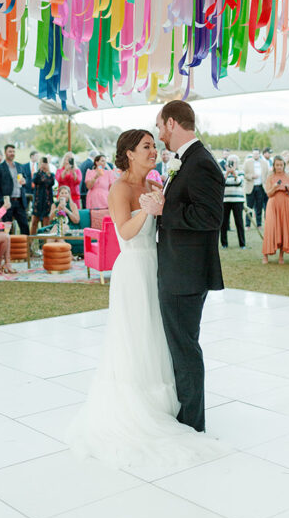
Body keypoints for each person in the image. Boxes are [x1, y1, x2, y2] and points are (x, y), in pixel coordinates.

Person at [70, 128, 224, 468]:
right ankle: (134, 408)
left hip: (159, 267)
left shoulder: (156, 183)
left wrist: (161, 205)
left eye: (155, 145)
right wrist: (148, 211)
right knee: (135, 336)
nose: (154, 151)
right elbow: (124, 230)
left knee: (157, 336)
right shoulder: (119, 188)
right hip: (133, 269)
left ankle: (164, 406)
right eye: (146, 146)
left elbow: (169, 215)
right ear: (129, 153)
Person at [143, 100, 224, 433]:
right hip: (177, 268)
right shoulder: (186, 161)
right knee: (180, 345)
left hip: (185, 273)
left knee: (185, 348)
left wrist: (164, 212)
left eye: (161, 126)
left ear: (173, 123)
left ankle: (192, 423)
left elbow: (210, 217)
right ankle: (187, 413)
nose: (159, 133)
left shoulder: (201, 163)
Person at [262, 156, 289, 264]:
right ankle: (265, 255)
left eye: (281, 165)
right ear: (274, 166)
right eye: (277, 165)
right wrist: (275, 187)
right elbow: (268, 193)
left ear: (284, 165)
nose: (279, 167)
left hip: (285, 204)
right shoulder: (270, 177)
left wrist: (287, 187)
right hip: (273, 203)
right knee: (270, 228)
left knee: (283, 228)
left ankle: (281, 256)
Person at [0, 144, 30, 233]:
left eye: (13, 151)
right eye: (10, 151)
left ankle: (27, 246)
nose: (12, 153)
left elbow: (26, 179)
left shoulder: (20, 166)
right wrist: (0, 202)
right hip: (7, 202)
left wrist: (25, 181)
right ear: (5, 153)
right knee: (6, 228)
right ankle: (7, 246)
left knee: (25, 226)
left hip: (20, 201)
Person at [221, 155, 246, 249]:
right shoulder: (223, 173)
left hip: (238, 200)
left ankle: (242, 244)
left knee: (239, 222)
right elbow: (221, 184)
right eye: (230, 162)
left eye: (233, 162)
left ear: (237, 164)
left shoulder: (240, 172)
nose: (231, 164)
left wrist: (234, 173)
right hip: (226, 200)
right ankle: (224, 243)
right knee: (224, 222)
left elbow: (240, 183)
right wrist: (227, 173)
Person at [30, 157, 56, 232]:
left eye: (45, 163)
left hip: (47, 201)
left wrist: (47, 173)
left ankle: (44, 241)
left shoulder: (51, 175)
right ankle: (32, 241)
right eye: (42, 163)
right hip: (38, 201)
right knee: (34, 222)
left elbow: (50, 182)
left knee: (46, 223)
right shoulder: (36, 174)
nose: (44, 165)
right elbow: (36, 181)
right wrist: (41, 171)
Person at [243, 149, 267, 228]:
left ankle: (259, 224)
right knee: (249, 207)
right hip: (251, 187)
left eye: (257, 154)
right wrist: (251, 176)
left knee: (259, 207)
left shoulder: (264, 163)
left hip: (260, 187)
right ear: (252, 154)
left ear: (259, 154)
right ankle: (248, 224)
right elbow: (245, 174)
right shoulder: (247, 162)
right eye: (254, 154)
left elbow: (267, 174)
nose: (255, 155)